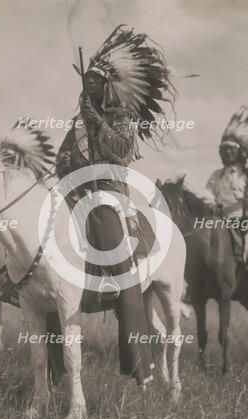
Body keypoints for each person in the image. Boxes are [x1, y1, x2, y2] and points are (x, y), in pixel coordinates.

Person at [55, 25, 176, 385]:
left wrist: (100, 127)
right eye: (85, 83)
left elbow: (122, 154)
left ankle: (138, 358)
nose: (87, 88)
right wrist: (63, 175)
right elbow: (62, 159)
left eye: (94, 83)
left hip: (108, 191)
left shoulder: (119, 119)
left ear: (106, 87)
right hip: (74, 191)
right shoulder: (77, 124)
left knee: (107, 225)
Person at [205, 107, 248, 297]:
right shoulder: (216, 176)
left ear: (239, 152)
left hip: (246, 220)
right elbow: (208, 194)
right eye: (224, 150)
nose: (227, 153)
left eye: (231, 150)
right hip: (220, 219)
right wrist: (212, 204)